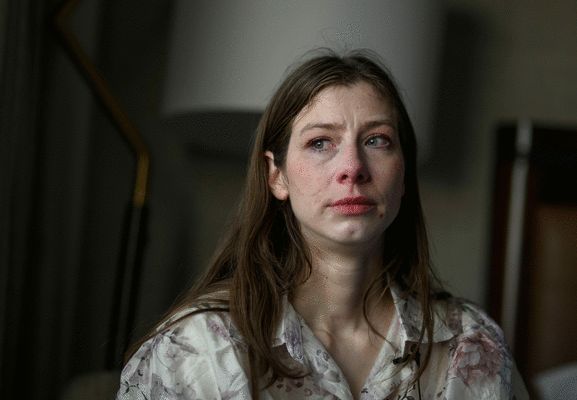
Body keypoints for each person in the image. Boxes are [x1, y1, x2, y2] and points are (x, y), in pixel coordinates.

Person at [116, 50, 528, 400]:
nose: (352, 167)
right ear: (276, 176)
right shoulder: (195, 350)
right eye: (320, 143)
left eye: (377, 140)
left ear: (403, 174)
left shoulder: (470, 344)